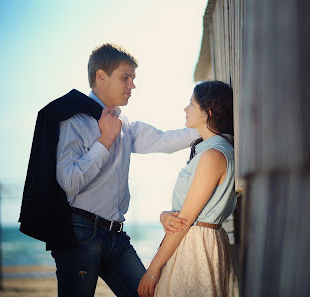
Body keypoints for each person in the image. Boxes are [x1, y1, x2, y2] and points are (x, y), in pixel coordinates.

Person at [19, 43, 198, 297]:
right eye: (126, 77)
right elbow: (69, 182)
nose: (132, 85)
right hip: (80, 233)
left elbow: (163, 140)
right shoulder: (74, 120)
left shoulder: (123, 122)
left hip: (116, 236)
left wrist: (210, 128)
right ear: (101, 76)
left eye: (133, 79)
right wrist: (105, 141)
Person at [138, 80, 237, 297]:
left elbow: (184, 221)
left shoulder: (213, 155)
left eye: (191, 104)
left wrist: (153, 271)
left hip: (195, 247)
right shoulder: (215, 150)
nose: (185, 109)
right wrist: (164, 216)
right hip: (200, 242)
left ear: (207, 112)